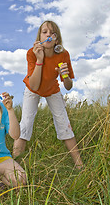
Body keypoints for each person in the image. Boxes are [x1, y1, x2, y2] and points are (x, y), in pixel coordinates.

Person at [13, 20, 83, 169]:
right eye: (45, 32)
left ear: (57, 39)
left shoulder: (63, 54)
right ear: (39, 37)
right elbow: (34, 85)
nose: (48, 35)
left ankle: (79, 165)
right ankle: (14, 167)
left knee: (64, 122)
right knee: (25, 123)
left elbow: (69, 87)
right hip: (32, 89)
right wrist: (39, 59)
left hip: (52, 89)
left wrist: (65, 76)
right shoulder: (32, 53)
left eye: (52, 33)